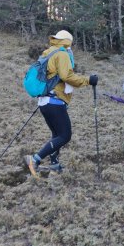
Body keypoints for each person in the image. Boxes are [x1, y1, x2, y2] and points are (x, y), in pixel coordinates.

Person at [23, 30, 98, 178]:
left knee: (56, 135)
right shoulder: (62, 53)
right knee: (65, 136)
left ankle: (54, 165)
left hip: (45, 101)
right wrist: (88, 80)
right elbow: (67, 76)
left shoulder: (48, 52)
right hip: (55, 101)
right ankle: (35, 159)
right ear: (68, 41)